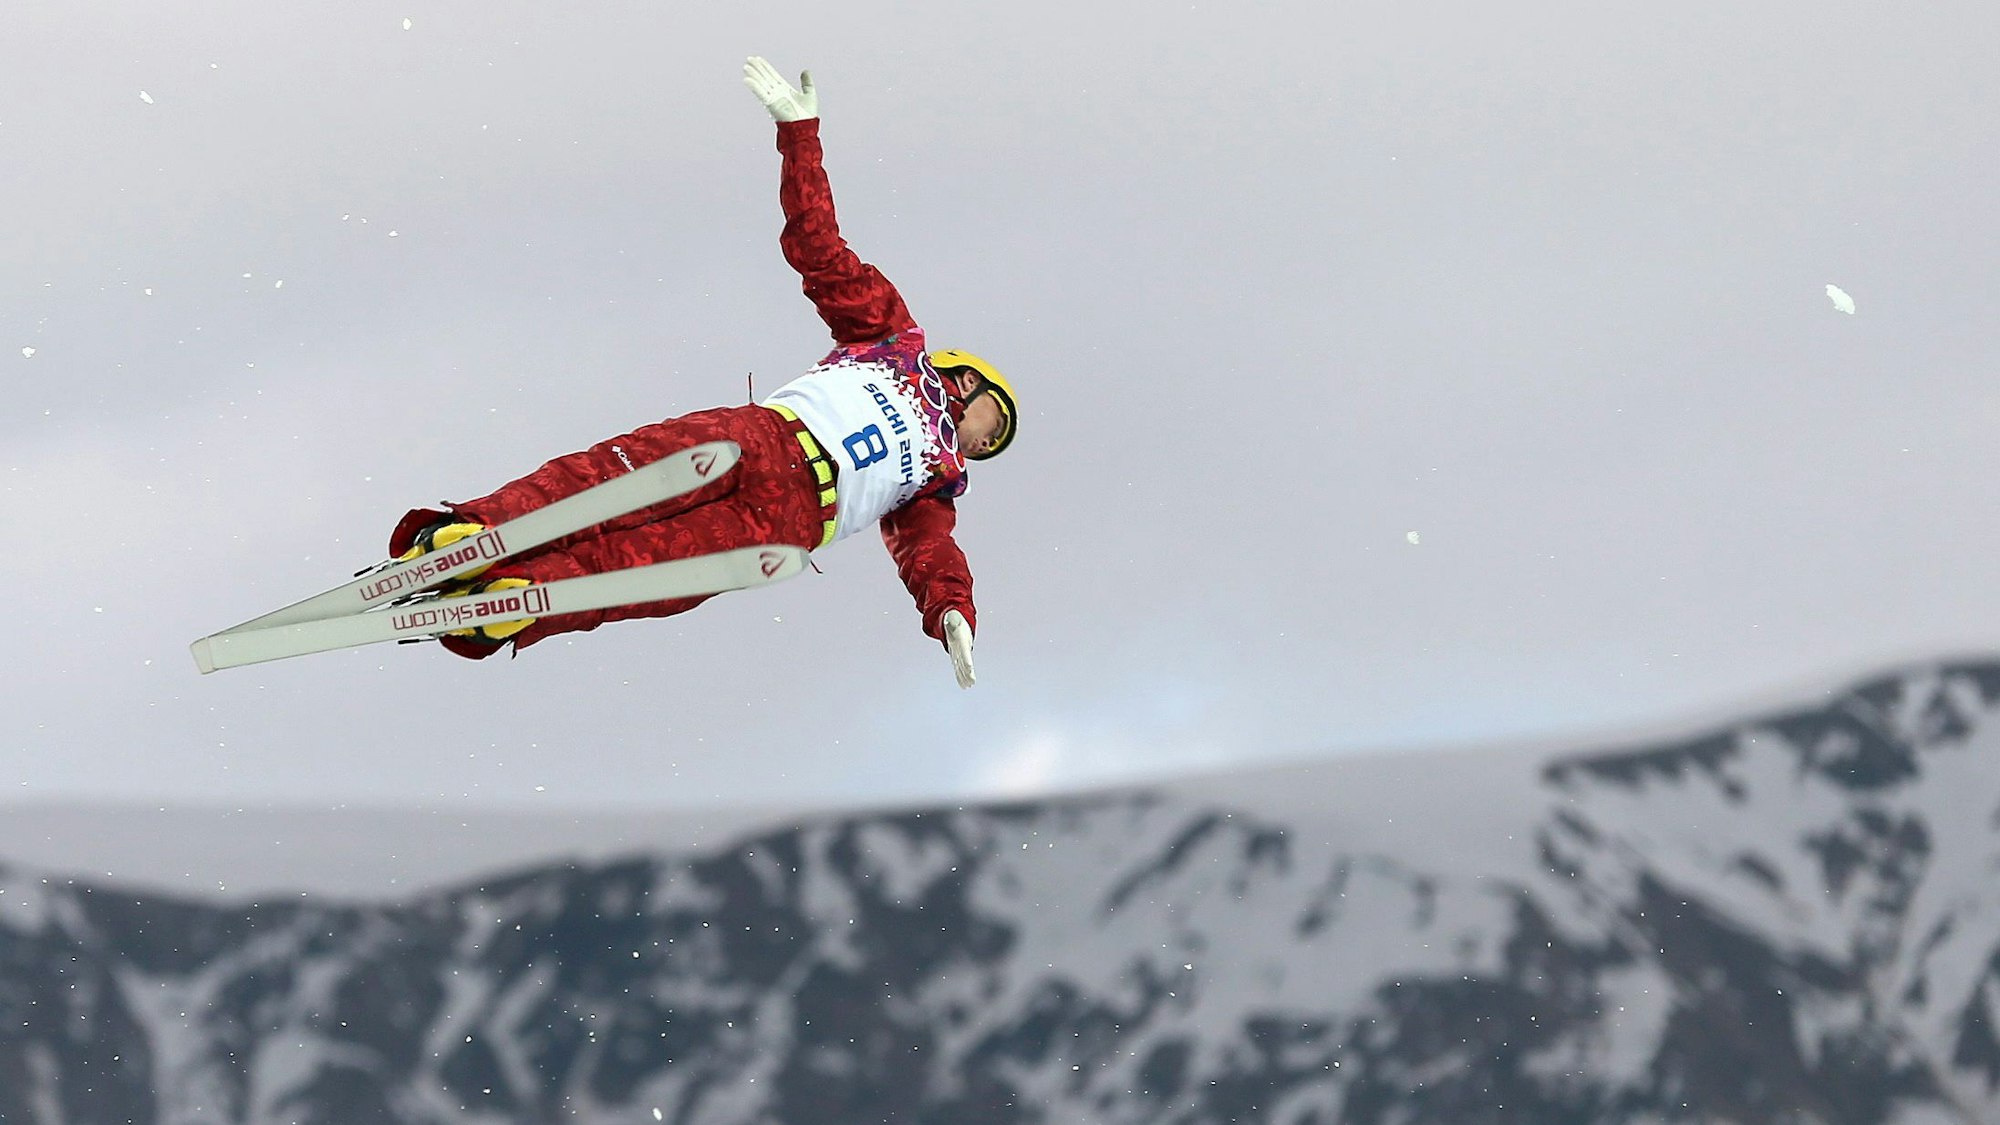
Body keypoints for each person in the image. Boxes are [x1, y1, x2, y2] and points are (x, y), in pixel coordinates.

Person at [384, 57, 1016, 688]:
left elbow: (931, 558)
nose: (989, 444)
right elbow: (818, 249)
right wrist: (800, 136)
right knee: (609, 479)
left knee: (649, 570)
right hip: (763, 439)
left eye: (995, 446)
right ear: (967, 380)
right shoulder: (894, 339)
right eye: (998, 424)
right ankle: (478, 532)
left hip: (789, 522)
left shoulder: (938, 484)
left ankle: (512, 599)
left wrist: (953, 612)